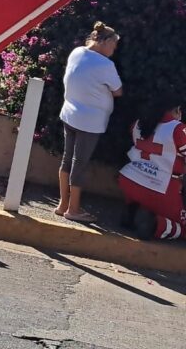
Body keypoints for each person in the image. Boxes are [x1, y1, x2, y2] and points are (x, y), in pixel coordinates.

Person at [55, 21, 123, 223]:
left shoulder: (77, 52)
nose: (114, 49)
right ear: (104, 42)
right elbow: (118, 91)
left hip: (69, 113)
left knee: (67, 159)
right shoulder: (106, 65)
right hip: (90, 121)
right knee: (80, 163)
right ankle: (74, 209)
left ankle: (62, 204)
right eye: (113, 45)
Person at [118, 92, 186, 241]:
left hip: (130, 179)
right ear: (175, 110)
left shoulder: (138, 123)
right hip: (161, 188)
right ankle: (155, 224)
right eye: (179, 110)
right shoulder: (178, 129)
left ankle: (134, 212)